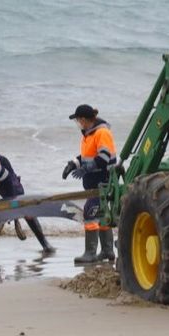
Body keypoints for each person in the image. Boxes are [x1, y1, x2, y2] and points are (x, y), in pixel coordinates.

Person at [62, 104, 117, 264]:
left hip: (102, 180)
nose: (78, 123)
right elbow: (86, 156)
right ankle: (107, 251)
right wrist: (73, 164)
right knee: (100, 214)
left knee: (90, 213)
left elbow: (103, 158)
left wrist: (86, 169)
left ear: (84, 120)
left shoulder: (102, 133)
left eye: (78, 120)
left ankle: (90, 253)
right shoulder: (89, 134)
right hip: (93, 182)